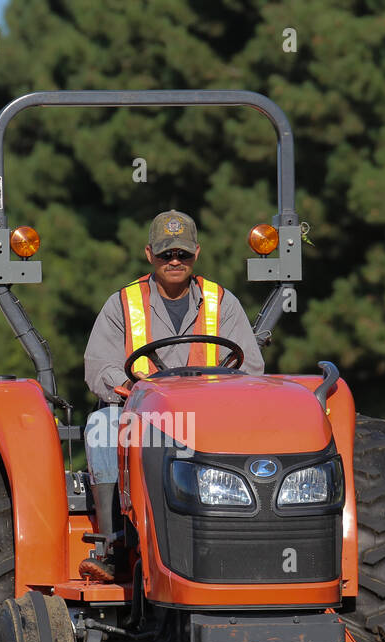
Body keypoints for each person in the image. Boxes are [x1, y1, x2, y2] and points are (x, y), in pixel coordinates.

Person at [80, 209, 265, 582]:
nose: (174, 261)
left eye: (182, 253)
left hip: (211, 419)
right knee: (102, 424)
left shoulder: (221, 302)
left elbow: (250, 368)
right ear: (150, 255)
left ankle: (250, 541)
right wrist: (135, 389)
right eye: (166, 254)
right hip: (143, 416)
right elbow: (99, 366)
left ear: (196, 253)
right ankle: (115, 545)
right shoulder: (123, 304)